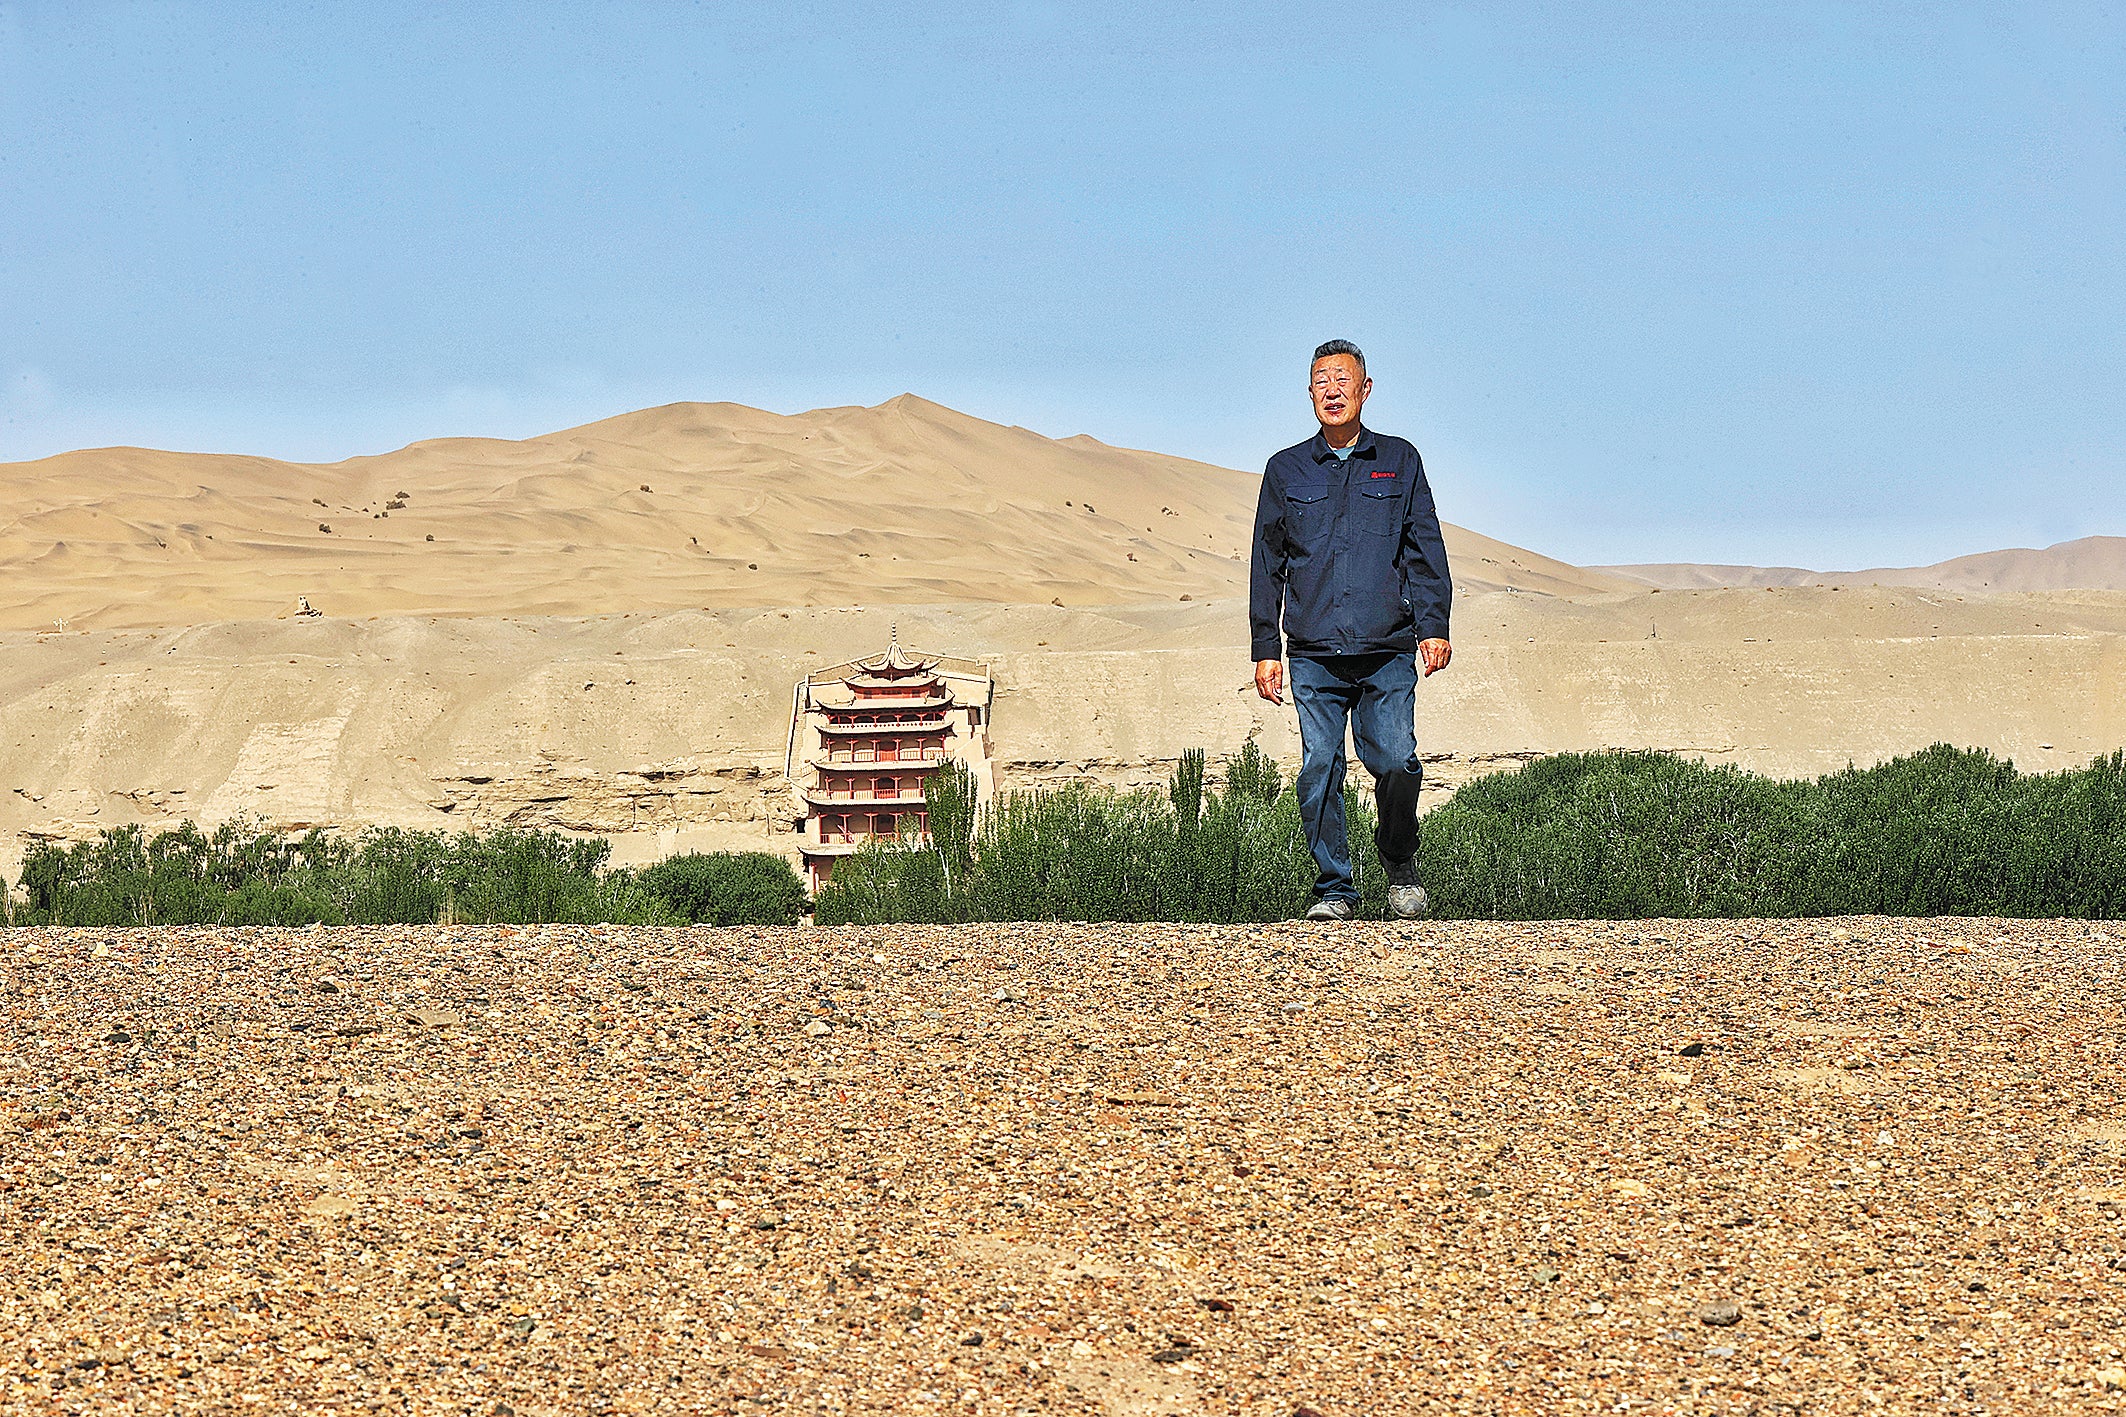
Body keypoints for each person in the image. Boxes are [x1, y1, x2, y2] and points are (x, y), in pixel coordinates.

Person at [1249, 339, 1453, 922]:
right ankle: (1334, 888)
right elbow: (1268, 562)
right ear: (1309, 393)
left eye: (1342, 379)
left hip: (1387, 647)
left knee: (1395, 760)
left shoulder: (1399, 459)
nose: (1331, 390)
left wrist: (1433, 625)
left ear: (1365, 390)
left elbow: (1423, 546)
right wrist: (1266, 646)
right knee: (1319, 766)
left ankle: (1399, 860)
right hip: (1313, 650)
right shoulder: (1285, 469)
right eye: (1320, 381)